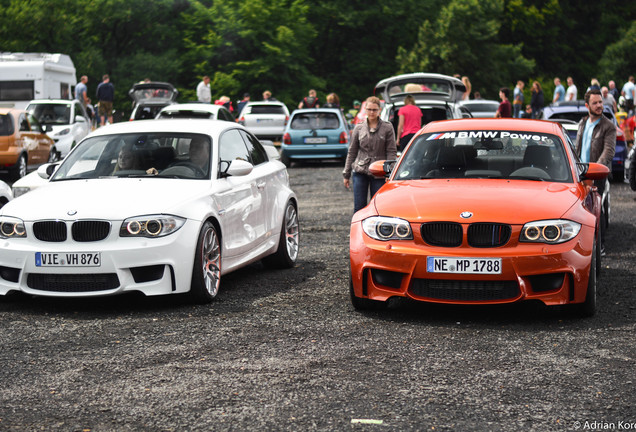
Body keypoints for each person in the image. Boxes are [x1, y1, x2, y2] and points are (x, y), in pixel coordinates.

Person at [574, 89, 615, 255]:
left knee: (596, 210)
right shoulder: (582, 123)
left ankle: (600, 246)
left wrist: (594, 170)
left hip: (597, 174)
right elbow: (576, 149)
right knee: (578, 211)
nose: (599, 106)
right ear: (587, 106)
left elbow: (609, 152)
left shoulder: (608, 126)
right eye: (595, 103)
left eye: (600, 102)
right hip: (579, 174)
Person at [343, 96, 397, 213]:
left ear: (380, 110)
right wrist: (346, 174)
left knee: (378, 206)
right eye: (369, 109)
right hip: (360, 170)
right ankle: (358, 230)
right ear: (365, 110)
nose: (372, 112)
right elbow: (352, 151)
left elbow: (391, 151)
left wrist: (389, 171)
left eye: (374, 110)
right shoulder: (359, 128)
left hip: (379, 172)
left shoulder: (387, 127)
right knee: (359, 207)